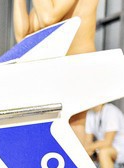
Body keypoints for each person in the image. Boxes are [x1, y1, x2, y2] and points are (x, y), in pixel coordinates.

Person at [12, 0, 98, 144]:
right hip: (53, 72)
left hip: (76, 68)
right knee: (46, 138)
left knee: (72, 133)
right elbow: (23, 36)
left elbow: (48, 18)